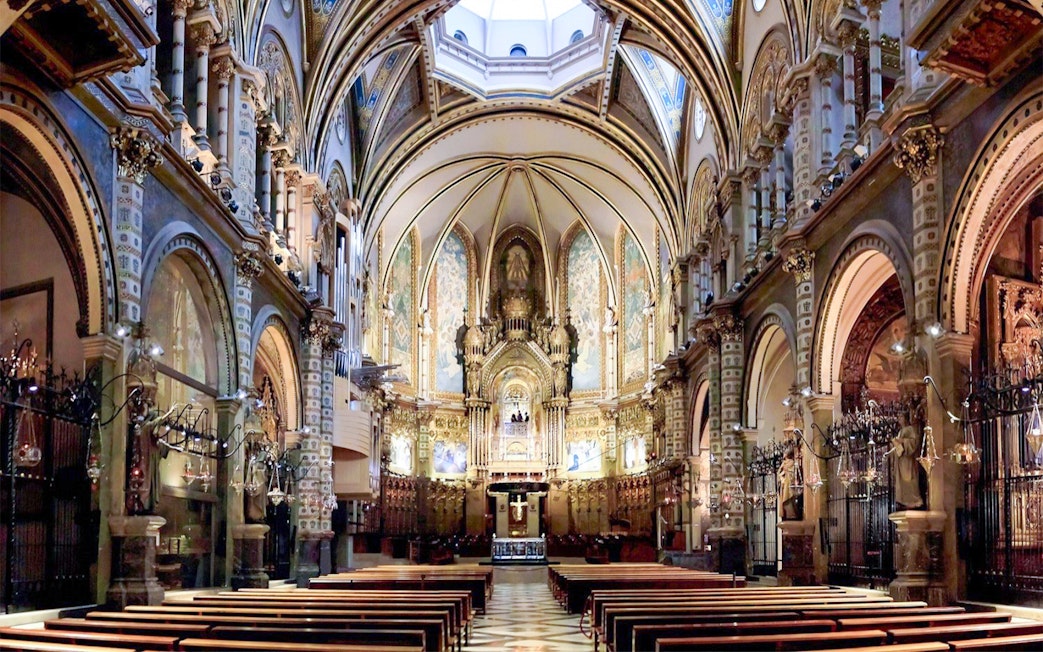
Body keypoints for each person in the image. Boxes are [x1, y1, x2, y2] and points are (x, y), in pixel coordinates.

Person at [892, 413, 924, 509]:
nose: (899, 419)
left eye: (901, 417)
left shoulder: (910, 429)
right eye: (898, 417)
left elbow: (914, 442)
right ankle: (903, 500)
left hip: (908, 461)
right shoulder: (901, 431)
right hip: (901, 460)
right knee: (902, 482)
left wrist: (902, 441)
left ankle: (913, 500)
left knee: (909, 480)